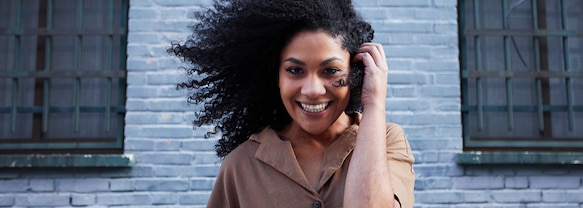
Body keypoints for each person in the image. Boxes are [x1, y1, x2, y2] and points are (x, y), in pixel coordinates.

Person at [168, 0, 415, 207]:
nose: (312, 90)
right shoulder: (241, 165)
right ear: (276, 76)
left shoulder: (386, 142)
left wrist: (374, 103)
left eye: (330, 70)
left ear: (354, 74)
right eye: (295, 70)